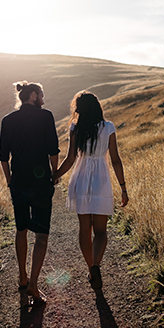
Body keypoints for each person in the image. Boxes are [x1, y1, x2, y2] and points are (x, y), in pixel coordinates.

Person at [53, 90, 128, 290]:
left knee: (84, 230)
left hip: (81, 178)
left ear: (79, 109)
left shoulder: (76, 127)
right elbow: (115, 160)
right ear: (97, 107)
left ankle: (91, 268)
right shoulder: (109, 127)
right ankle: (95, 265)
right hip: (101, 180)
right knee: (101, 231)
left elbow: (70, 159)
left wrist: (55, 175)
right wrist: (123, 188)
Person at [0, 81, 60, 305]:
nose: (43, 99)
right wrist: (55, 173)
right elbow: (53, 149)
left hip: (18, 184)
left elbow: (3, 156)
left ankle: (22, 277)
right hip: (41, 183)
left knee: (21, 230)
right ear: (33, 95)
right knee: (41, 235)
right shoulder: (46, 117)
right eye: (41, 95)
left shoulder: (7, 120)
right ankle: (33, 282)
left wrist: (9, 181)